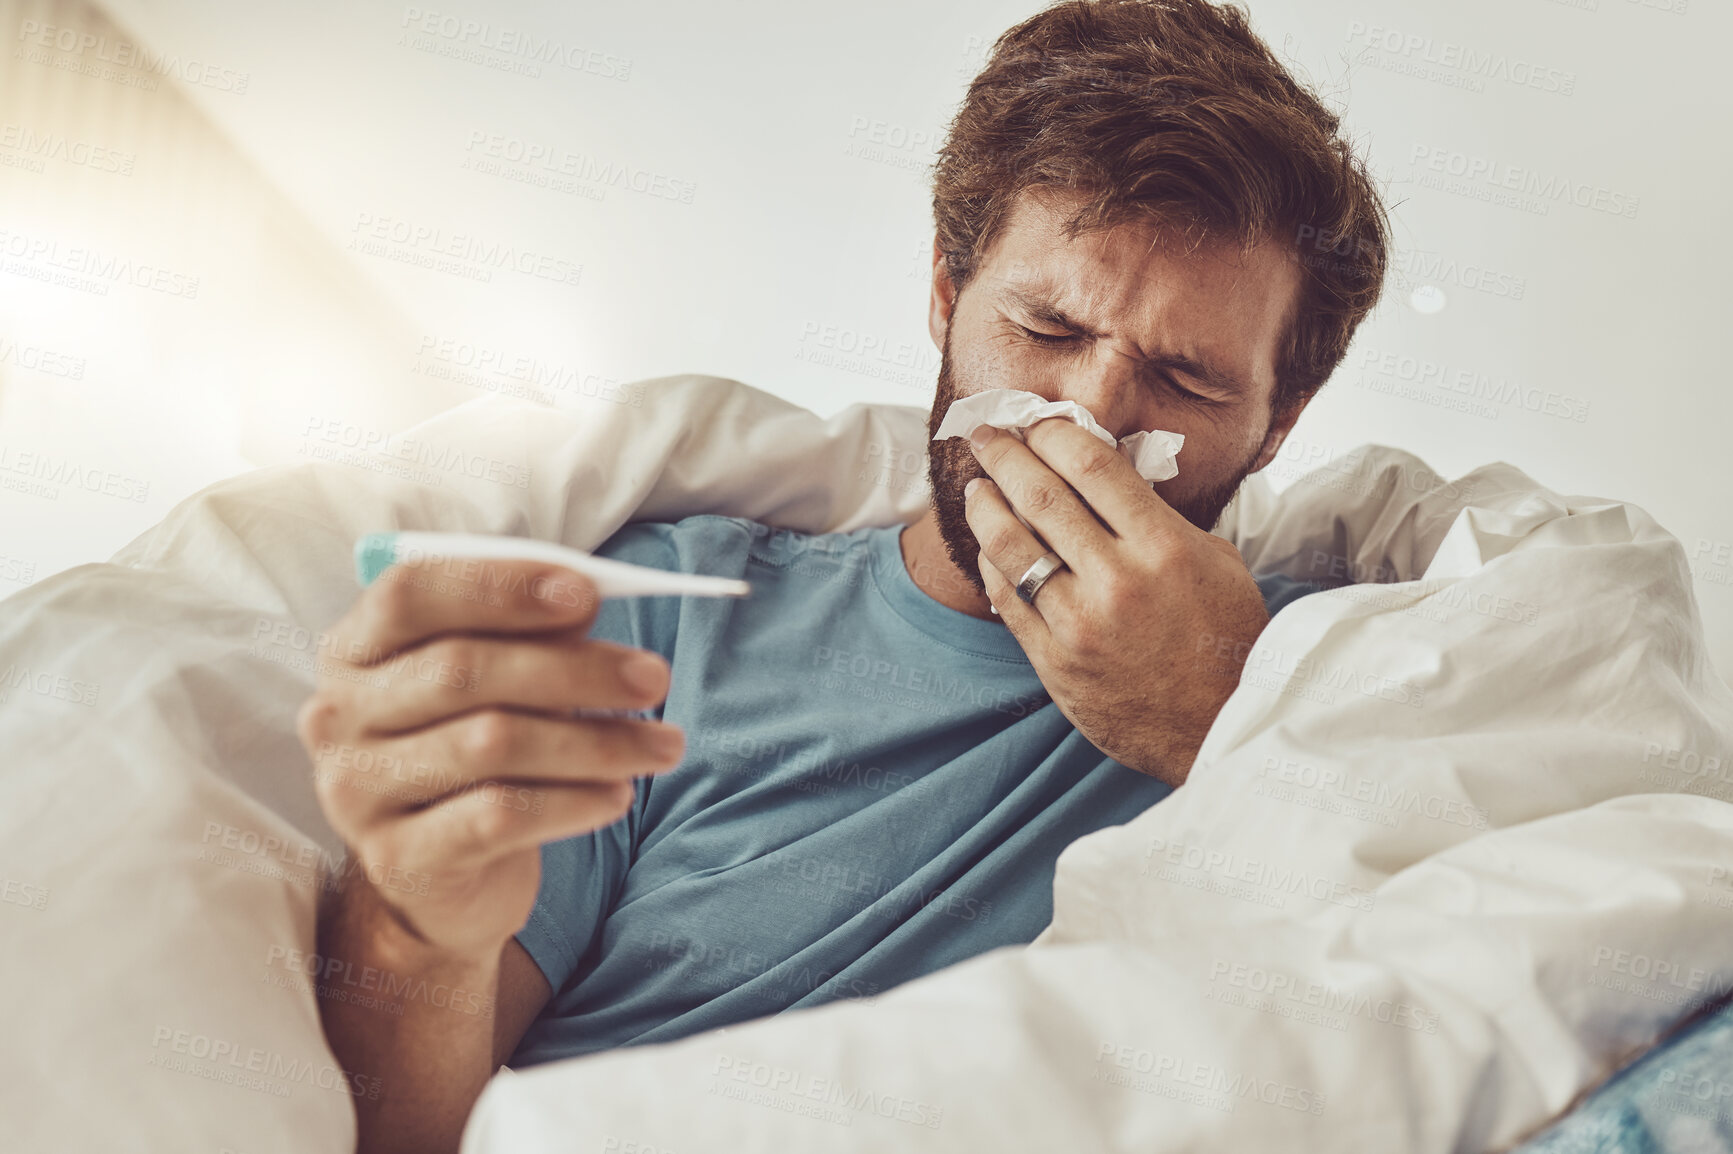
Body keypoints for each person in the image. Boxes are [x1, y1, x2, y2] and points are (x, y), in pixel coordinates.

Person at [294, 1, 1389, 1149]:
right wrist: (418, 924)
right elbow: (404, 1132)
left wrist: (1221, 721)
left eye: (1186, 379)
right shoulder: (667, 618)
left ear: (1276, 424)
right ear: (943, 293)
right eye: (1044, 325)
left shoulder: (1337, 682)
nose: (1090, 419)